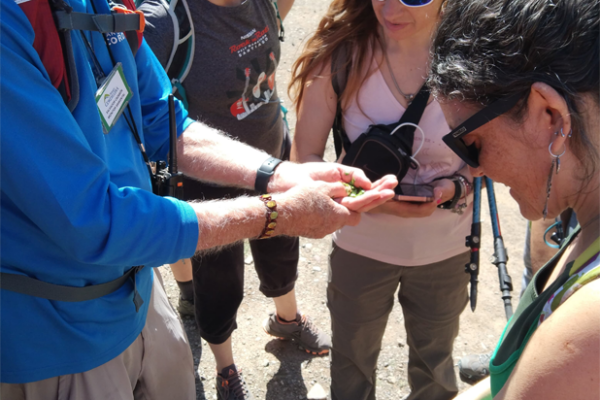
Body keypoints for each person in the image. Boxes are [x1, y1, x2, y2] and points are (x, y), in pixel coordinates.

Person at [0, 1, 396, 399]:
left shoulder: (97, 5)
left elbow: (163, 119)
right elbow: (95, 221)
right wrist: (277, 214)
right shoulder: (11, 27)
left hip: (135, 288)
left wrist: (279, 174)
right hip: (61, 338)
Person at [138, 0, 333, 398]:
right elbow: (140, 108)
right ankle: (225, 365)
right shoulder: (168, 22)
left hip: (271, 160)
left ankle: (287, 320)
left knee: (281, 255)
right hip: (206, 181)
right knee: (219, 283)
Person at [289, 0, 475, 399]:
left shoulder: (475, 54)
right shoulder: (341, 57)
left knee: (435, 371)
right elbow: (302, 160)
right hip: (361, 246)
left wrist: (454, 188)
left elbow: (493, 157)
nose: (390, 6)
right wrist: (362, 195)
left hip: (446, 250)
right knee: (351, 367)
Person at [428, 0, 600, 398]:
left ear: (550, 116)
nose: (473, 169)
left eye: (470, 143)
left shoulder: (588, 330)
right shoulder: (586, 221)